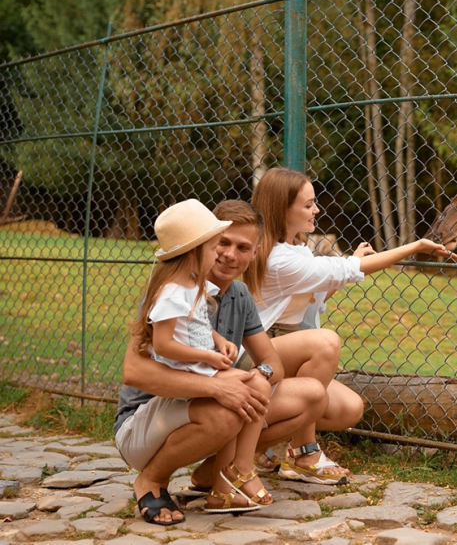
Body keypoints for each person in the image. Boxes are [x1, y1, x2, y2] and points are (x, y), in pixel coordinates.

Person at [116, 200, 329, 525]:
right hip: (144, 423)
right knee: (228, 408)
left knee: (311, 395)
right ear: (204, 243)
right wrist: (218, 386)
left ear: (255, 253)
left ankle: (219, 475)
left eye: (242, 247)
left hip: (201, 404)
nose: (229, 255)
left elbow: (272, 362)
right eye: (223, 243)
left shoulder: (238, 295)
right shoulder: (173, 288)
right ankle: (152, 479)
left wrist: (259, 375)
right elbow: (134, 371)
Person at [243, 166, 457, 484]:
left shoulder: (295, 250)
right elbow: (345, 269)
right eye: (308, 205)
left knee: (349, 409)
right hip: (258, 355)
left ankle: (254, 447)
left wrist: (352, 262)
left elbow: (317, 292)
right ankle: (304, 453)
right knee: (325, 342)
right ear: (282, 209)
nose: (316, 210)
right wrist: (414, 247)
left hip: (284, 350)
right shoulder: (279, 259)